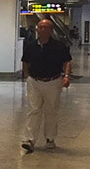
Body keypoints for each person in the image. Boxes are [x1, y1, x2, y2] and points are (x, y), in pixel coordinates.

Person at [20, 19, 72, 153]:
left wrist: (66, 76)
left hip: (53, 82)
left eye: (46, 28)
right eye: (40, 27)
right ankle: (29, 139)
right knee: (34, 110)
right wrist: (27, 76)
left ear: (51, 30)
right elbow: (25, 61)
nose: (42, 30)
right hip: (34, 81)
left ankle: (50, 138)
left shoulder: (59, 46)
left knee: (51, 110)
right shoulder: (31, 46)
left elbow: (67, 61)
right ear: (37, 30)